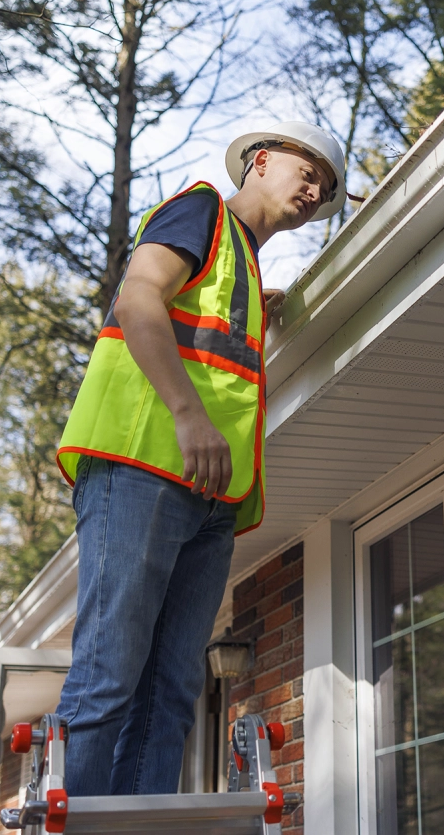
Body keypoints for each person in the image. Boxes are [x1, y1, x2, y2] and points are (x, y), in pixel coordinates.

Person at [51, 121, 347, 796]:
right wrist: (188, 416)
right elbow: (138, 298)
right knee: (110, 673)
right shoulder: (202, 211)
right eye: (307, 172)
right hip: (143, 465)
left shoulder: (240, 260)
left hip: (211, 497)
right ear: (260, 161)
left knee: (174, 690)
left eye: (326, 187)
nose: (315, 189)